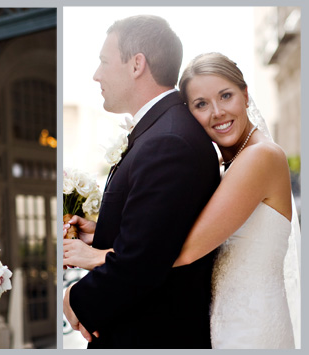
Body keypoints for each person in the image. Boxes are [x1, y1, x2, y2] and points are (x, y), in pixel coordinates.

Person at [64, 53, 300, 349]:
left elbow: (184, 249)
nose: (217, 112)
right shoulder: (228, 164)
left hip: (251, 329)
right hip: (221, 324)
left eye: (225, 96)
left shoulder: (261, 157)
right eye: (201, 104)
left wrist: (100, 256)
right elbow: (176, 232)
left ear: (245, 94)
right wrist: (100, 232)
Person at [61, 15, 220, 348]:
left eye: (104, 62)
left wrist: (76, 300)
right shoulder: (162, 131)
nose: (96, 75)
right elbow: (156, 237)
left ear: (137, 65)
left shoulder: (169, 142)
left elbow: (141, 265)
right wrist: (102, 231)